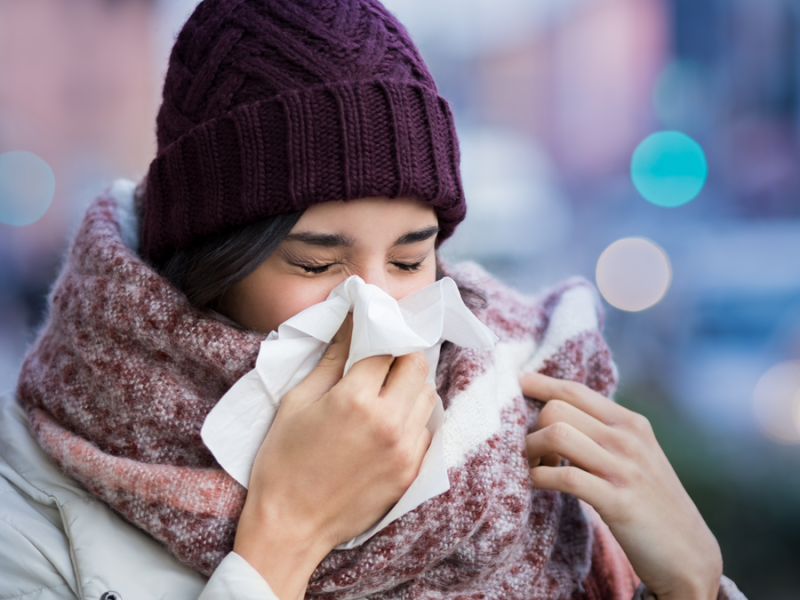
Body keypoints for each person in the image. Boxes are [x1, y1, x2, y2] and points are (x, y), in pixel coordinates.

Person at [0, 1, 746, 599]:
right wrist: (280, 544)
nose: (381, 312)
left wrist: (694, 588)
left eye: (410, 256)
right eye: (319, 261)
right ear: (208, 264)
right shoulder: (34, 500)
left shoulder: (533, 425)